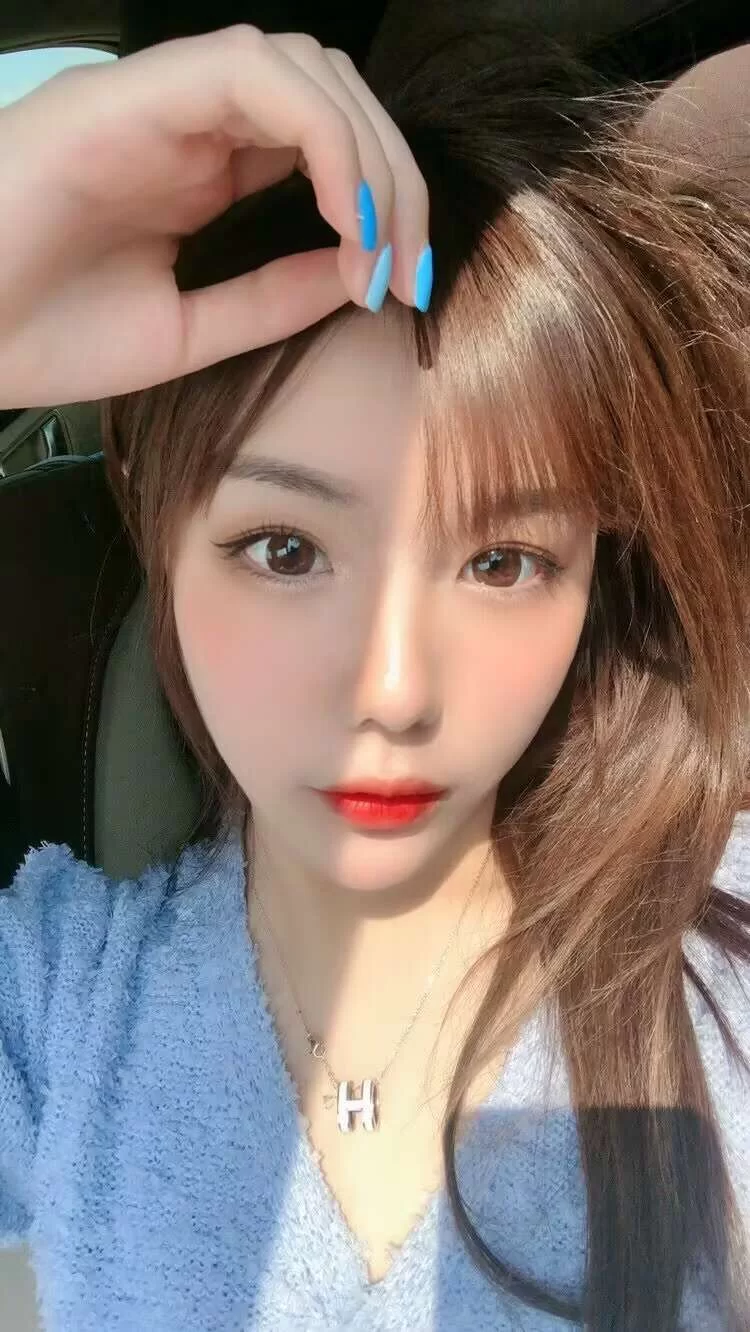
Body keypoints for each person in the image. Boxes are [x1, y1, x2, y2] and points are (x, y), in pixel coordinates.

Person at [1, 8, 750, 1330]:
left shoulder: (715, 969)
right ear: (159, 536)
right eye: (284, 549)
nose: (392, 692)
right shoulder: (54, 997)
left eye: (505, 560)